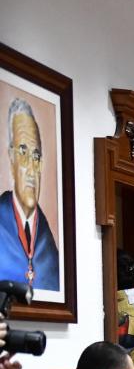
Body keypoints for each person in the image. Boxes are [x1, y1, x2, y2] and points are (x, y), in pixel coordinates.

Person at [0, 98, 59, 291]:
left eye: (36, 157)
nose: (32, 169)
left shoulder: (48, 244)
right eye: (23, 154)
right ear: (11, 158)